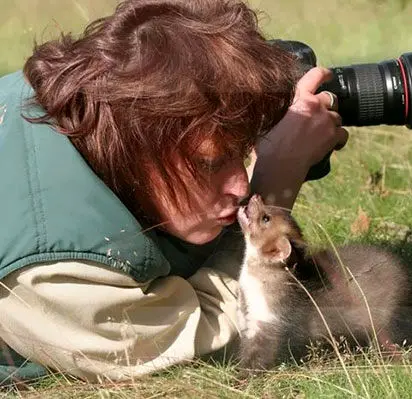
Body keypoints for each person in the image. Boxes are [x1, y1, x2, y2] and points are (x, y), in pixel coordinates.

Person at [0, 0, 348, 385]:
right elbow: (205, 331)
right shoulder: (54, 269)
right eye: (210, 163)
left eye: (242, 153)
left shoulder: (57, 97)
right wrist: (279, 177)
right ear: (134, 148)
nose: (241, 185)